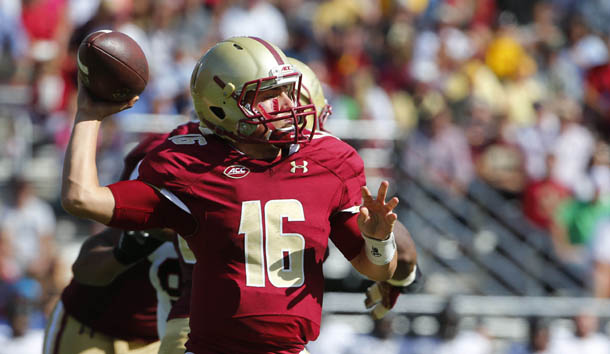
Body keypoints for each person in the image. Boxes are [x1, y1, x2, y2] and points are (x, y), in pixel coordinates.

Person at [61, 36, 399, 354]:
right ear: (223, 108)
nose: (287, 103)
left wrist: (380, 242)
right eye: (268, 94)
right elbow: (81, 197)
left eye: (286, 90)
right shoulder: (191, 167)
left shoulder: (330, 160)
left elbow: (378, 269)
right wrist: (90, 115)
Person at [44, 132, 185, 354]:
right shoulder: (164, 151)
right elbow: (86, 267)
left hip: (162, 338)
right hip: (90, 327)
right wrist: (124, 253)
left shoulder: (248, 176)